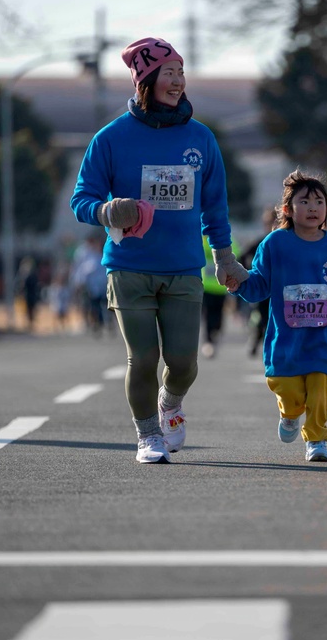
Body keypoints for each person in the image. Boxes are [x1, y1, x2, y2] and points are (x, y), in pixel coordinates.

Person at [70, 37, 249, 464]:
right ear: (144, 82)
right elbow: (81, 200)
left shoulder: (201, 138)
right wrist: (107, 210)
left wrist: (224, 258)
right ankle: (148, 436)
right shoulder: (110, 138)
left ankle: (170, 402)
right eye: (169, 73)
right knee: (143, 357)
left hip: (184, 268)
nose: (178, 81)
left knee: (184, 362)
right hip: (128, 267)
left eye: (181, 72)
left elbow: (215, 208)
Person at [227, 170, 327, 463]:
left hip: (322, 336)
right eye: (304, 202)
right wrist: (240, 284)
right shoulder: (274, 244)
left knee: (320, 388)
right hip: (285, 338)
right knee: (286, 388)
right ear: (287, 210)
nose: (312, 208)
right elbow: (259, 283)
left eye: (319, 202)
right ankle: (290, 414)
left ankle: (317, 439)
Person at [240, 207, 278, 357]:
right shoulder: (260, 243)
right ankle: (255, 338)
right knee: (260, 316)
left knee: (275, 319)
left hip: (280, 289)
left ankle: (272, 345)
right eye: (269, 223)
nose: (272, 226)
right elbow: (242, 257)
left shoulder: (287, 244)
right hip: (263, 288)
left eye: (276, 222)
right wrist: (248, 274)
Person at [17, 256, 42, 332]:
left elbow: (36, 285)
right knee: (26, 310)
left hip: (32, 295)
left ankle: (31, 323)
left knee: (32, 310)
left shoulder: (33, 275)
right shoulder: (24, 276)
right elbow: (22, 286)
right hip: (27, 295)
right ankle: (28, 324)